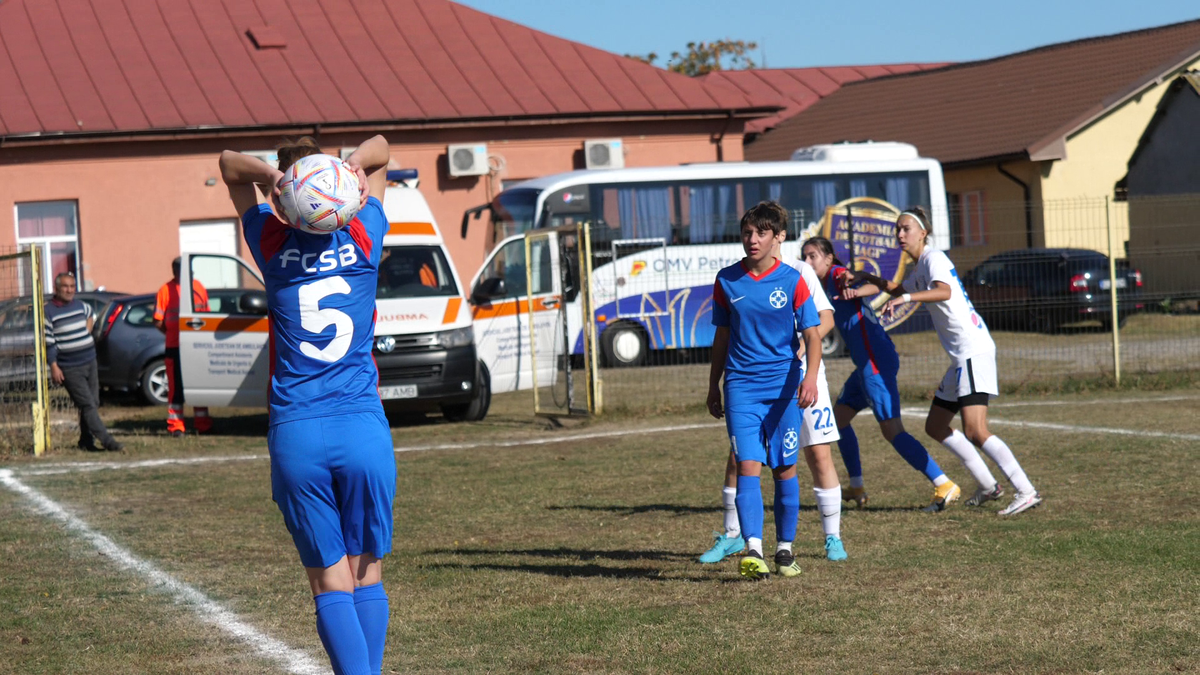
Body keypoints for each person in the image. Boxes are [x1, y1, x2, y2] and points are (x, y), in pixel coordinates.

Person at [219, 134, 395, 675]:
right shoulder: (365, 234)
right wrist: (354, 166)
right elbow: (382, 149)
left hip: (298, 430)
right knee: (367, 574)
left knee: (328, 582)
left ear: (284, 194)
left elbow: (228, 166)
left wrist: (270, 177)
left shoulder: (271, 241)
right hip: (362, 426)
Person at [848, 207, 1042, 516]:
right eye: (897, 229)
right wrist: (868, 280)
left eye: (906, 228)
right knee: (936, 425)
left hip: (972, 350)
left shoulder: (934, 258)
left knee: (976, 429)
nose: (900, 234)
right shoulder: (921, 266)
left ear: (923, 232)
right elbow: (899, 288)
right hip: (960, 358)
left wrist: (907, 299)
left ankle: (1026, 490)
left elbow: (944, 291)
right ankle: (988, 486)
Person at [706, 201, 837, 580]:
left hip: (783, 388)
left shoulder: (793, 279)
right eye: (747, 232)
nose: (752, 239)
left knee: (784, 468)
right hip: (741, 388)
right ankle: (753, 550)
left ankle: (784, 549)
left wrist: (809, 379)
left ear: (777, 237)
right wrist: (713, 384)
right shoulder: (726, 280)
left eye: (761, 233)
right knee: (747, 464)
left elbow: (813, 336)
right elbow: (722, 336)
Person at [801, 236, 961, 511]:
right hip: (865, 365)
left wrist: (856, 290)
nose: (806, 261)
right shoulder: (821, 284)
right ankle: (857, 486)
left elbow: (866, 288)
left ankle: (944, 484)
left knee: (892, 430)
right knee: (838, 421)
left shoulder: (838, 275)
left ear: (828, 258)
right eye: (804, 256)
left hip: (876, 361)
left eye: (812, 255)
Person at [44, 273, 123, 452]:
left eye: (72, 286)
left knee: (92, 403)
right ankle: (108, 442)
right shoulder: (48, 311)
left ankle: (86, 441)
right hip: (70, 367)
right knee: (87, 404)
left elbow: (90, 315)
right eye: (65, 286)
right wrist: (54, 366)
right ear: (57, 288)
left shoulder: (80, 306)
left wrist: (86, 332)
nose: (70, 290)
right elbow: (48, 343)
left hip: (89, 360)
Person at [153, 257, 212, 437]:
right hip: (175, 346)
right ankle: (176, 426)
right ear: (175, 271)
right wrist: (172, 334)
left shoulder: (198, 287)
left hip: (196, 345)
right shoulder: (165, 290)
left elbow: (206, 315)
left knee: (198, 385)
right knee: (176, 388)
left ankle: (202, 423)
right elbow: (158, 321)